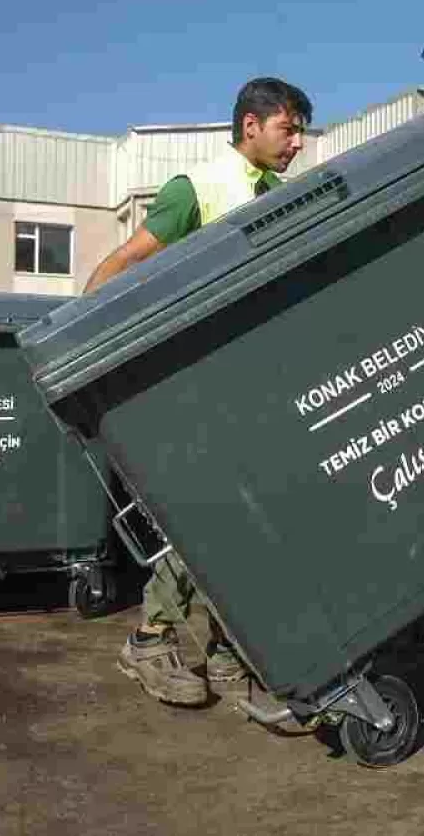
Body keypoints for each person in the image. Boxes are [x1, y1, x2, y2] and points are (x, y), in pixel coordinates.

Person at [83, 77, 312, 706]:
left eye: (299, 132)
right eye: (288, 129)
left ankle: (224, 651)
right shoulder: (200, 189)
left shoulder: (276, 195)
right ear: (251, 127)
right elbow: (122, 265)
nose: (297, 143)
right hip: (196, 393)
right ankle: (152, 638)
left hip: (249, 389)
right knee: (213, 523)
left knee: (246, 525)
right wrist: (89, 357)